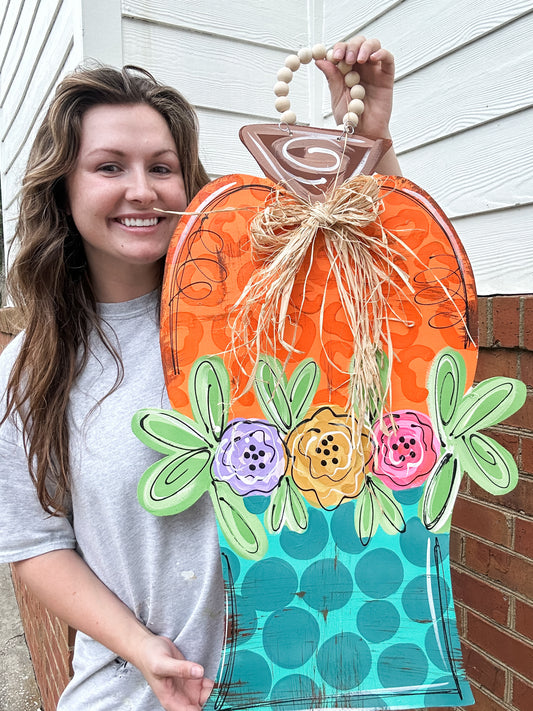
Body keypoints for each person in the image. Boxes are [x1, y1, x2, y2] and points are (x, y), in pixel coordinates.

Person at [0, 37, 400, 711]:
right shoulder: (29, 368)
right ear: (63, 189)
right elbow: (36, 543)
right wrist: (142, 648)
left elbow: (380, 283)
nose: (141, 189)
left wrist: (370, 138)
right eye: (108, 166)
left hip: (295, 683)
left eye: (161, 166)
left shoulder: (260, 305)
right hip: (133, 692)